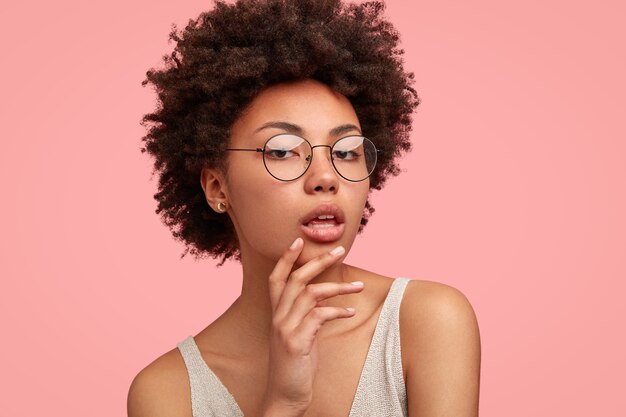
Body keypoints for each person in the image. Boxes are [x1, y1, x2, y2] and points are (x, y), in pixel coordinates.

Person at [127, 0, 481, 416]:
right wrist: (283, 403)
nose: (325, 176)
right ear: (218, 186)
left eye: (346, 151)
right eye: (283, 151)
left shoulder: (427, 322)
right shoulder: (168, 393)